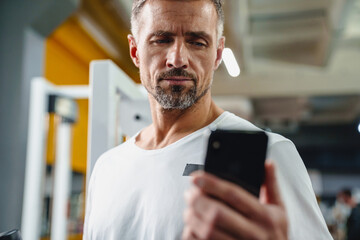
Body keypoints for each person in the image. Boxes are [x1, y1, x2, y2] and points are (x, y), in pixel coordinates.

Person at [83, 0, 332, 239]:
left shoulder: (270, 154)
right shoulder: (107, 167)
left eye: (197, 42)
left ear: (217, 54)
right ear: (135, 50)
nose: (178, 59)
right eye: (161, 39)